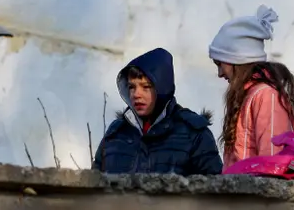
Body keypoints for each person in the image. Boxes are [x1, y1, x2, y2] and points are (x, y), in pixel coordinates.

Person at [93, 47, 222, 175]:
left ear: (162, 88)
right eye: (131, 87)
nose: (136, 94)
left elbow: (216, 190)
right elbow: (93, 187)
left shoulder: (194, 134)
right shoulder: (116, 133)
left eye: (146, 87)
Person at [208, 5, 294, 170]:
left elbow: (273, 165)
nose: (220, 73)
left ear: (237, 60)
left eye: (220, 64)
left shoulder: (266, 96)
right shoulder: (246, 97)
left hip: (255, 195)